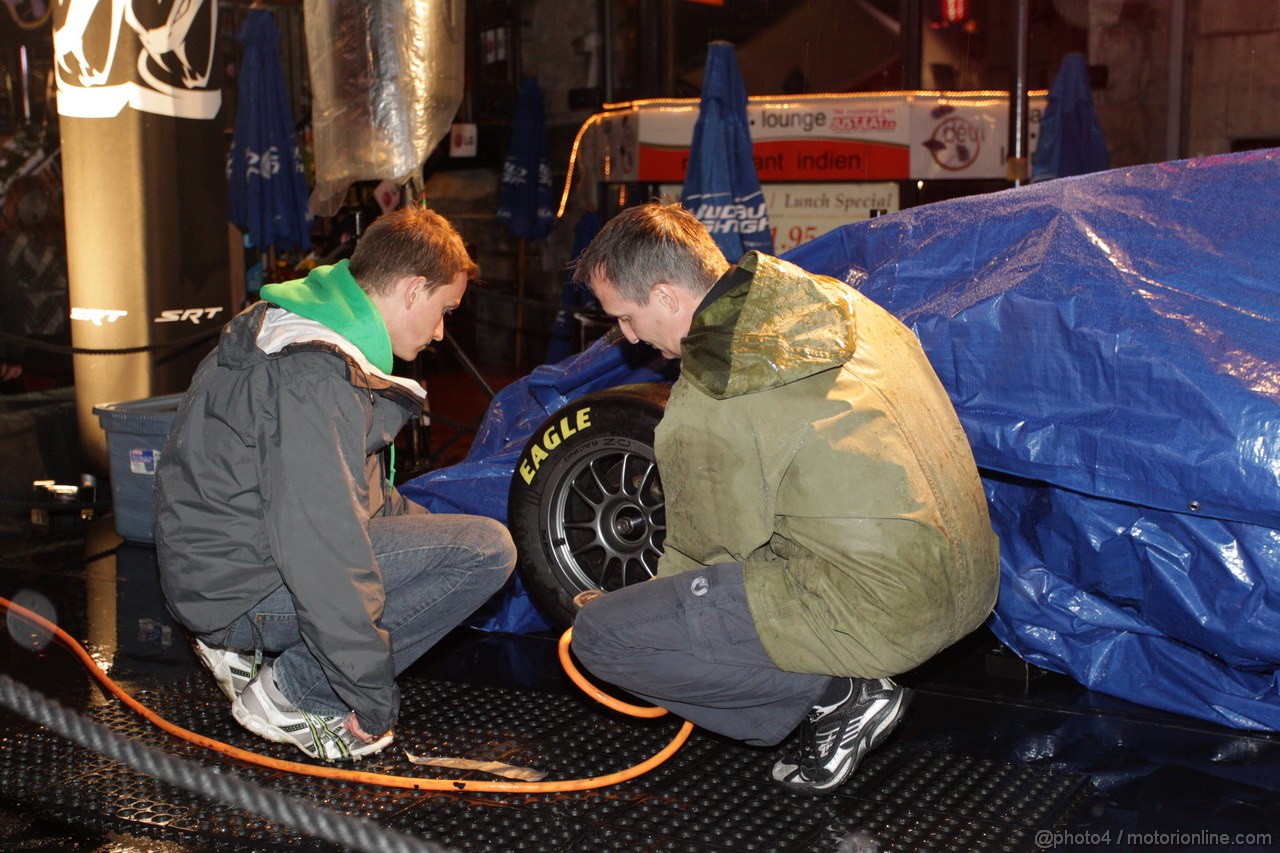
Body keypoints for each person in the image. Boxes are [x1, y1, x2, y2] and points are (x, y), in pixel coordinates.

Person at [569, 203, 1000, 795]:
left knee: (605, 637)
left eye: (626, 316)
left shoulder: (713, 392)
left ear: (668, 297)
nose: (627, 337)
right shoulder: (837, 303)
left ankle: (840, 698)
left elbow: (704, 554)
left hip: (889, 617)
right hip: (969, 583)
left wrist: (632, 609)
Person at [155, 205, 516, 761]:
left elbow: (362, 501)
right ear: (413, 290)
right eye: (445, 310)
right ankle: (291, 693)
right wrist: (368, 695)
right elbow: (323, 551)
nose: (442, 332)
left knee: (455, 543)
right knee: (487, 551)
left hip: (221, 571)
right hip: (237, 591)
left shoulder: (304, 334)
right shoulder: (313, 377)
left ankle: (249, 655)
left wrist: (433, 544)